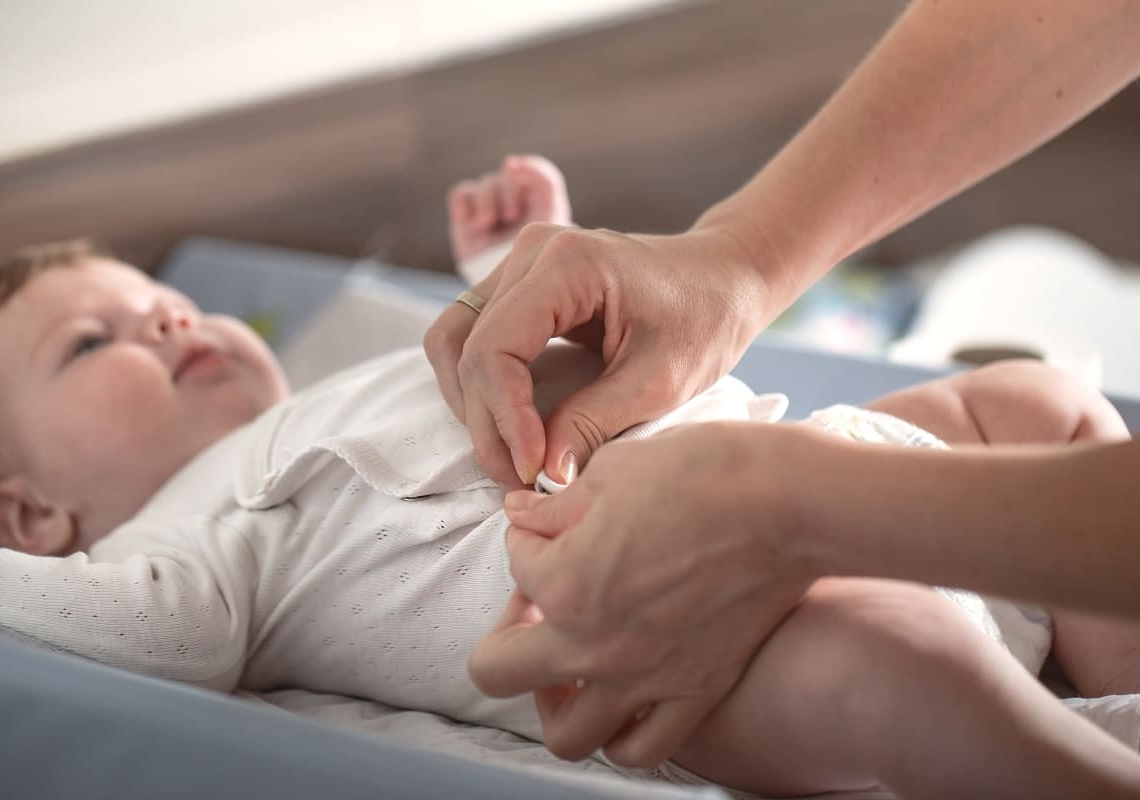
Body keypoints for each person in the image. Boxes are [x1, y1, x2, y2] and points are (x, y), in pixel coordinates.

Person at [0, 160, 1140, 799]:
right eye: (91, 343)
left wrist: (506, 268)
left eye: (168, 302)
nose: (163, 320)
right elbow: (169, 638)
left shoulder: (329, 376)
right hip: (711, 656)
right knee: (902, 653)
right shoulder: (177, 542)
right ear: (31, 516)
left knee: (1028, 398)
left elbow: (478, 356)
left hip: (831, 470)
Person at [424, 0, 1140, 770]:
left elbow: (505, 358)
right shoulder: (271, 521)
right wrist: (736, 254)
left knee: (1035, 411)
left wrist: (503, 281)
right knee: (889, 666)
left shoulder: (286, 461)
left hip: (810, 489)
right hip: (727, 602)